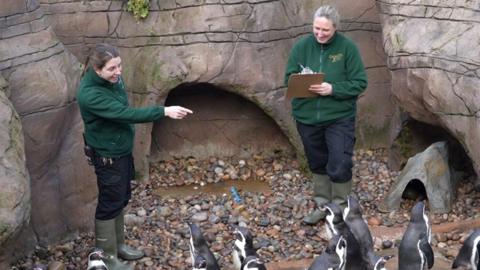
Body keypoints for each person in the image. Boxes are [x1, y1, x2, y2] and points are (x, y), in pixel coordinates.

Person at [77, 43, 193, 269]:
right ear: (97, 70)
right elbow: (124, 113)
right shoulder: (90, 95)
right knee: (109, 203)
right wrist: (164, 111)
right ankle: (107, 257)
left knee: (121, 197)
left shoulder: (112, 79)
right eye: (112, 69)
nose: (118, 72)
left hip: (120, 150)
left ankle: (118, 246)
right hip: (108, 155)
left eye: (119, 66)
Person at [284, 5, 367, 225]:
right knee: (317, 161)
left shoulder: (347, 49)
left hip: (339, 116)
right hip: (307, 117)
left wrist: (333, 89)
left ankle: (339, 208)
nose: (320, 34)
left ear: (335, 29)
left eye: (325, 30)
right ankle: (322, 205)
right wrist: (302, 80)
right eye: (316, 28)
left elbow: (360, 83)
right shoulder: (301, 47)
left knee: (340, 161)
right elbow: (288, 79)